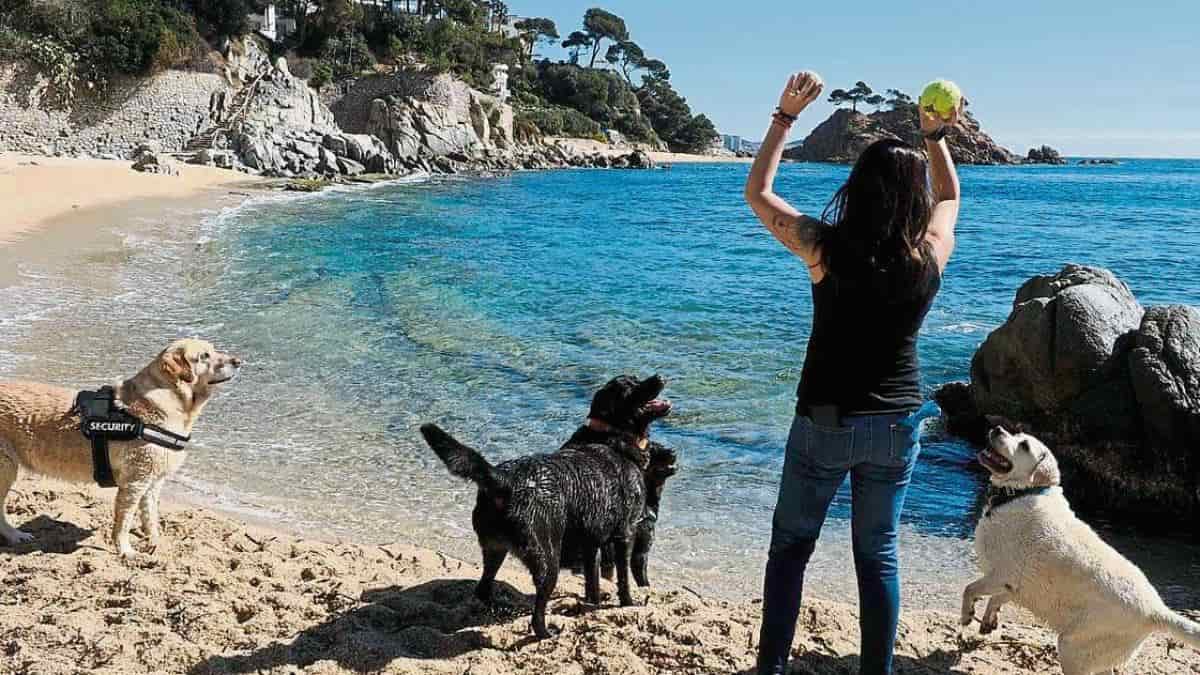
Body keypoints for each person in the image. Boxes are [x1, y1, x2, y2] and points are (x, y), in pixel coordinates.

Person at [743, 70, 961, 675]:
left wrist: (783, 118)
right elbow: (949, 200)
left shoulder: (824, 247)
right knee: (880, 558)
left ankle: (772, 670)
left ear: (857, 188)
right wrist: (934, 137)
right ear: (910, 198)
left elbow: (759, 193)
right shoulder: (927, 259)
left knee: (790, 550)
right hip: (896, 428)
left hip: (824, 424)